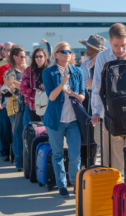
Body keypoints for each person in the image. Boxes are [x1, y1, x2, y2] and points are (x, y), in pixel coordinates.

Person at [90, 23, 126, 181]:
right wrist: (97, 113)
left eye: (123, 45)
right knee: (112, 167)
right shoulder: (102, 57)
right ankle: (114, 199)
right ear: (109, 41)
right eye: (116, 45)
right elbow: (97, 88)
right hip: (110, 119)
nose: (120, 49)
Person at [43, 42, 84, 198]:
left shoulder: (77, 71)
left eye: (69, 51)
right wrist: (63, 82)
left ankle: (74, 182)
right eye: (63, 51)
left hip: (73, 120)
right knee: (58, 154)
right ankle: (61, 184)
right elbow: (52, 96)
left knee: (75, 154)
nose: (67, 53)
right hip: (55, 120)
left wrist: (72, 93)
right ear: (56, 55)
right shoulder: (49, 72)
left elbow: (82, 96)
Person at [3, 45, 27, 169]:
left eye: (25, 56)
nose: (24, 58)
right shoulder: (10, 71)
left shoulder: (28, 70)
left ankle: (26, 160)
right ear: (15, 57)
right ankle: (19, 161)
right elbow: (10, 84)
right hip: (15, 105)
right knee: (17, 133)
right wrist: (27, 86)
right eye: (21, 57)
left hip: (28, 104)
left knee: (27, 132)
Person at [0, 43, 14, 161]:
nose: (9, 52)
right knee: (5, 128)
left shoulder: (25, 67)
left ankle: (18, 154)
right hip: (5, 103)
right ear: (3, 52)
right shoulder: (2, 68)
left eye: (11, 50)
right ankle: (5, 152)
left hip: (21, 102)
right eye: (6, 50)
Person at [20, 47, 49, 122]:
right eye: (36, 56)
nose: (38, 58)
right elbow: (23, 88)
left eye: (41, 56)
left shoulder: (50, 70)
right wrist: (34, 94)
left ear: (45, 57)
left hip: (48, 105)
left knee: (47, 130)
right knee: (36, 129)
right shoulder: (29, 70)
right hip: (34, 105)